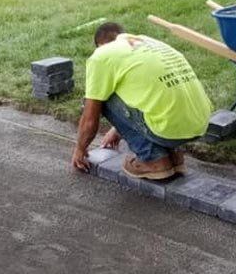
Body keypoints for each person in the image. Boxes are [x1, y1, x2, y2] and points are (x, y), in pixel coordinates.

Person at [71, 22, 212, 180]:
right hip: (200, 123)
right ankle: (173, 155)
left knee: (99, 98)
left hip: (168, 128)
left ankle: (153, 159)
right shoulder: (148, 42)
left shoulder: (102, 55)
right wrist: (118, 129)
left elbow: (90, 118)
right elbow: (143, 94)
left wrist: (80, 149)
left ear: (100, 45)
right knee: (147, 95)